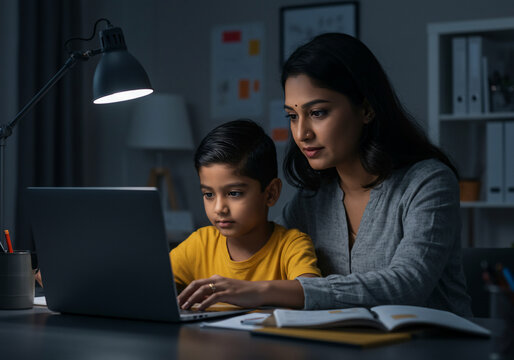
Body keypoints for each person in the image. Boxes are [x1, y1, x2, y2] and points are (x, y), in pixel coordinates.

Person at [181, 33, 472, 317]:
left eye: (317, 113)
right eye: (293, 116)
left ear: (366, 109)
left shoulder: (428, 182)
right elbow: (273, 254)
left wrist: (261, 290)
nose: (301, 133)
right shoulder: (312, 200)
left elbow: (407, 285)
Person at [173, 119, 320, 310]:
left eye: (234, 193)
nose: (219, 208)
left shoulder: (291, 245)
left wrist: (250, 291)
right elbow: (150, 280)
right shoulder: (200, 244)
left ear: (270, 193)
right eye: (208, 194)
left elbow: (312, 291)